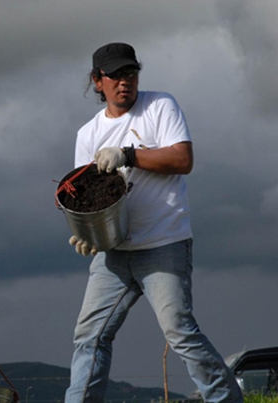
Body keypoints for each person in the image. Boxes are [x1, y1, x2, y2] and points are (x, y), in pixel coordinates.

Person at [65, 43, 243, 403]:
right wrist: (88, 234)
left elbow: (182, 158)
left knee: (179, 331)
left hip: (163, 243)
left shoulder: (160, 106)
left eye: (130, 73)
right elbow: (84, 194)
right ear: (97, 82)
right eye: (115, 76)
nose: (124, 82)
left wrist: (128, 154)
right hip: (113, 252)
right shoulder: (88, 135)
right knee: (90, 335)